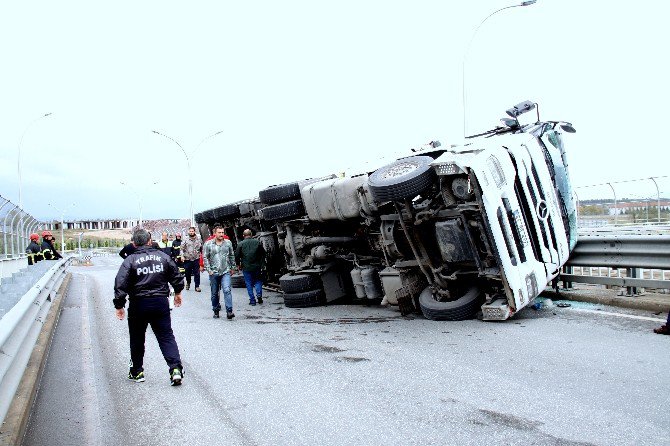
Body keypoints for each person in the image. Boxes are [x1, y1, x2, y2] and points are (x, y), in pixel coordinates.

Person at [113, 229, 185, 386]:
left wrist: (119, 305)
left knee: (137, 338)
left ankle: (137, 372)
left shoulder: (130, 260)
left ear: (133, 243)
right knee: (166, 336)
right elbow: (176, 275)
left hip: (138, 304)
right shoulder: (163, 257)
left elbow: (120, 283)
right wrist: (178, 292)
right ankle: (175, 369)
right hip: (160, 302)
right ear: (150, 241)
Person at [203, 225, 236, 319]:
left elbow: (231, 255)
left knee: (227, 290)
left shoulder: (228, 243)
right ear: (214, 233)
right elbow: (205, 257)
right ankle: (216, 310)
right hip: (214, 272)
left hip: (225, 270)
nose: (222, 234)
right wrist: (209, 270)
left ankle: (229, 311)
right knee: (214, 293)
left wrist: (233, 267)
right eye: (219, 232)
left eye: (222, 232)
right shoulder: (208, 244)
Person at [235, 229, 266, 305]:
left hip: (246, 267)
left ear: (243, 236)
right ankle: (259, 296)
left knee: (249, 283)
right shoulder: (257, 242)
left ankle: (252, 301)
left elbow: (237, 256)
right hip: (257, 266)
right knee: (258, 281)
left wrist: (238, 265)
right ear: (251, 235)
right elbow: (263, 253)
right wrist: (262, 264)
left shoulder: (240, 244)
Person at [181, 226, 203, 292]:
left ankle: (197, 286)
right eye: (190, 231)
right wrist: (182, 256)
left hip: (196, 258)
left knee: (197, 273)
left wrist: (202, 258)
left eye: (192, 231)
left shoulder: (198, 239)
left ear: (194, 232)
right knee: (188, 273)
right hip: (187, 259)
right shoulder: (185, 239)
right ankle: (188, 283)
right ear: (188, 232)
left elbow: (201, 248)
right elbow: (181, 248)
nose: (191, 232)